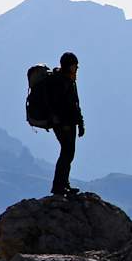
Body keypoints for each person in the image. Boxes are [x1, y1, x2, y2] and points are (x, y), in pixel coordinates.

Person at [49, 52, 85, 197]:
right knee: (67, 153)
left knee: (68, 154)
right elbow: (62, 105)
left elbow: (75, 104)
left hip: (69, 123)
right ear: (69, 66)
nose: (76, 68)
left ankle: (63, 184)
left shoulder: (69, 80)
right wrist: (64, 123)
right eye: (75, 66)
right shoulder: (61, 82)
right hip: (64, 124)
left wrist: (81, 123)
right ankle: (59, 186)